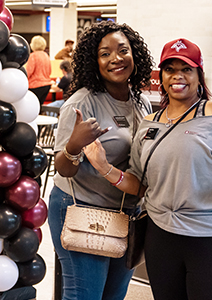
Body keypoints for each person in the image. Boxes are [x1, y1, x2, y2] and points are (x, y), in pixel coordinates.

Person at [84, 38, 212, 300]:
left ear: (199, 74)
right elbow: (140, 185)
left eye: (186, 69)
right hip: (162, 235)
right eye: (170, 69)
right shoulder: (150, 123)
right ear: (161, 76)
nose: (178, 76)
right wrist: (104, 167)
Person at [47, 21, 154, 300]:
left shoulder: (140, 102)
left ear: (135, 54)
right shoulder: (82, 103)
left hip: (125, 213)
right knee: (85, 295)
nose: (115, 59)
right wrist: (74, 144)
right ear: (94, 62)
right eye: (105, 53)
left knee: (114, 296)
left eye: (123, 50)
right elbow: (63, 167)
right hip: (82, 208)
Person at [26, 35, 52, 109]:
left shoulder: (33, 56)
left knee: (31, 108)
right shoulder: (46, 55)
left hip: (34, 86)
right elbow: (49, 71)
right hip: (46, 85)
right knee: (39, 107)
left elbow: (28, 72)